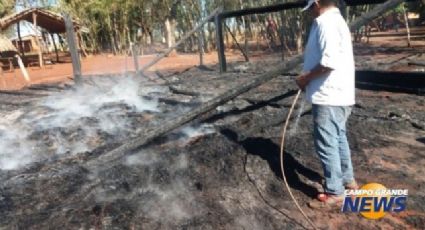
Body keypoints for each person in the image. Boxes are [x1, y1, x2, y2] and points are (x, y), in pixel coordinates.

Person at [295, 0, 357, 208]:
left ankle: (335, 192)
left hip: (328, 94)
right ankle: (348, 182)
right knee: (338, 137)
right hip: (341, 93)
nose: (311, 13)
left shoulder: (325, 23)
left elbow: (328, 62)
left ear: (318, 3)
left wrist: (306, 78)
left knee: (327, 142)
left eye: (311, 8)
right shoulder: (337, 20)